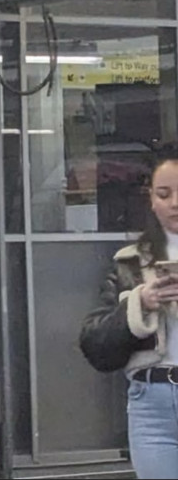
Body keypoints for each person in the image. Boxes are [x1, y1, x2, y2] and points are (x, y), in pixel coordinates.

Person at [80, 146, 178, 479]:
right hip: (151, 401)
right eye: (164, 194)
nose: (175, 203)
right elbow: (95, 345)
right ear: (151, 198)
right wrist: (139, 305)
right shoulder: (130, 262)